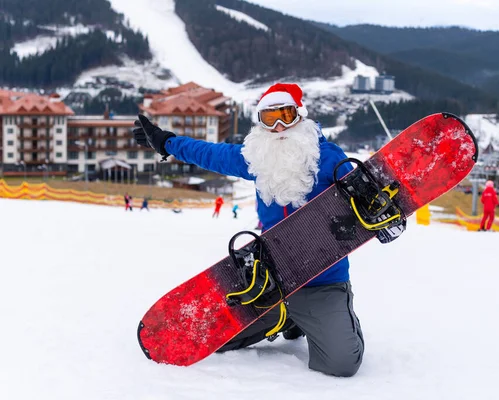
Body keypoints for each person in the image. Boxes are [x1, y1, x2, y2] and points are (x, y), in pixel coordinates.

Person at [133, 82, 363, 377]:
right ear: (261, 123)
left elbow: (361, 205)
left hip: (322, 281)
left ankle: (322, 317)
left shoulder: (330, 158)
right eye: (270, 118)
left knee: (340, 364)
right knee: (219, 340)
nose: (279, 126)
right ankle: (283, 317)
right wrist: (166, 142)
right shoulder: (257, 158)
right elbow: (210, 153)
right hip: (269, 278)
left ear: (300, 116)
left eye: (286, 115)